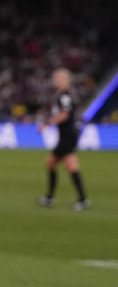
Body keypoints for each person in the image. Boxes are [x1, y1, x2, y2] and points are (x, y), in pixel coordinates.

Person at [38, 68, 90, 211]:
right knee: (55, 164)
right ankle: (54, 198)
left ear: (64, 80)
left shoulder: (65, 96)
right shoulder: (64, 95)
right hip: (68, 136)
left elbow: (64, 115)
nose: (54, 81)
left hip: (67, 137)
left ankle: (79, 199)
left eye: (57, 79)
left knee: (64, 165)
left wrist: (46, 124)